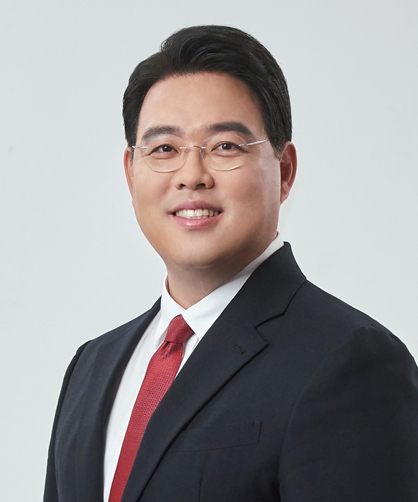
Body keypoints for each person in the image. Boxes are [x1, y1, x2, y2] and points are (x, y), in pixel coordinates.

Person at [44, 25, 418, 502]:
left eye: (225, 146)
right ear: (131, 174)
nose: (192, 176)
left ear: (285, 171)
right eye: (164, 149)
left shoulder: (351, 360)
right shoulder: (92, 366)